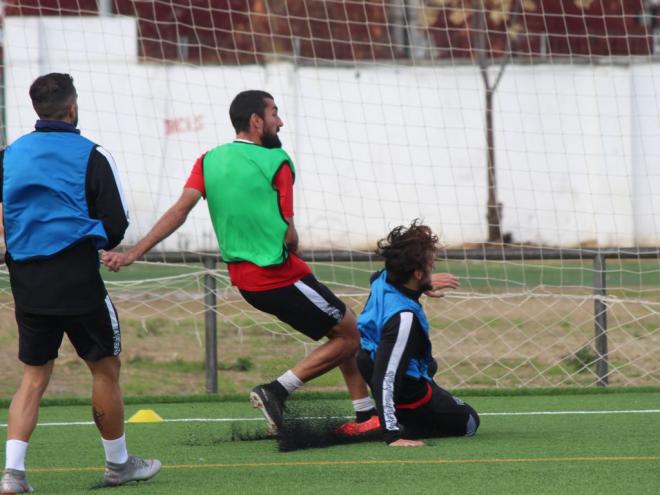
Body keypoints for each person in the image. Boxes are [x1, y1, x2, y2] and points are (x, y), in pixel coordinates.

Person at [102, 90, 377, 433]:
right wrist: (293, 246)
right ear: (256, 121)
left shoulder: (208, 160)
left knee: (343, 326)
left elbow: (179, 211)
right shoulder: (278, 162)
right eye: (275, 114)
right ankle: (276, 391)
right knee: (350, 336)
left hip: (246, 283)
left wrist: (132, 253)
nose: (281, 121)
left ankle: (366, 415)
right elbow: (289, 236)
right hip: (279, 275)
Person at [0, 73, 161, 493]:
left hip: (26, 279)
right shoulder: (92, 153)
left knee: (33, 377)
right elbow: (117, 221)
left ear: (36, 109)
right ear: (72, 108)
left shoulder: (10, 154)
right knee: (105, 369)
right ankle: (118, 465)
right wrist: (104, 243)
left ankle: (13, 475)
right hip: (76, 276)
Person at [356, 220, 480, 446]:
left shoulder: (382, 281)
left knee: (430, 365)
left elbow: (376, 275)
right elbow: (385, 378)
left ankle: (394, 417)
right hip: (408, 394)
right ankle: (397, 424)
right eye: (431, 267)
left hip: (368, 360)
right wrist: (393, 436)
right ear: (416, 273)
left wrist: (425, 284)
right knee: (470, 421)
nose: (434, 268)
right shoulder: (404, 318)